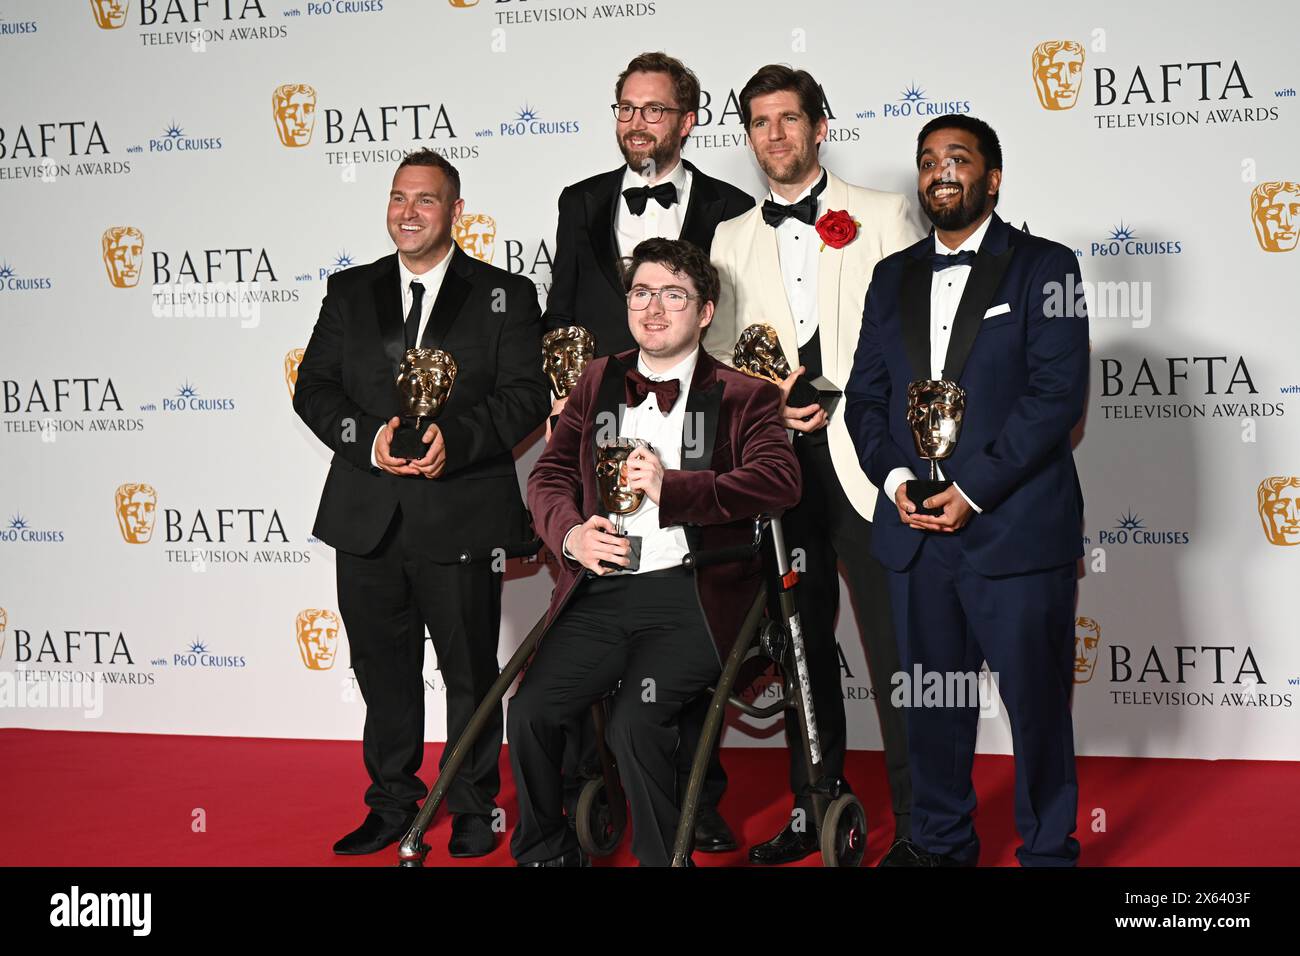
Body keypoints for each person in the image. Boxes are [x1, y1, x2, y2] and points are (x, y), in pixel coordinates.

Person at [845, 114, 1089, 866]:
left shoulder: (1048, 267)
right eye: (926, 161)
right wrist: (895, 481)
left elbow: (1056, 397)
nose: (939, 173)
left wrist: (971, 490)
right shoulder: (891, 277)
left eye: (958, 158)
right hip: (916, 535)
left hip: (1014, 531)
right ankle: (940, 842)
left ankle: (1049, 850)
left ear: (993, 176)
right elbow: (864, 398)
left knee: (1037, 706)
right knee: (932, 710)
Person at [294, 148, 550, 857]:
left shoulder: (506, 293)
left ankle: (470, 803)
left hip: (462, 512)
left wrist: (457, 440)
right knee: (382, 670)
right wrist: (369, 439)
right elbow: (313, 388)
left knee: (469, 670)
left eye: (426, 200)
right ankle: (392, 802)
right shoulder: (350, 291)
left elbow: (526, 394)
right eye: (398, 198)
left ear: (456, 211)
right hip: (366, 516)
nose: (408, 213)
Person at [512, 237, 800, 866]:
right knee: (531, 711)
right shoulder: (597, 380)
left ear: (704, 311)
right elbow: (548, 476)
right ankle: (545, 852)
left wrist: (676, 489)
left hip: (692, 594)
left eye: (674, 295)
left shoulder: (743, 393)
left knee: (633, 721)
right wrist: (570, 536)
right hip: (603, 586)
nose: (654, 308)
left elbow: (780, 481)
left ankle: (661, 860)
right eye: (642, 292)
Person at [707, 64, 923, 866]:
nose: (775, 135)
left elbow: (917, 338)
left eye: (789, 119)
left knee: (896, 651)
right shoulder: (730, 237)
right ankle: (816, 805)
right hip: (780, 468)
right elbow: (723, 359)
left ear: (819, 126)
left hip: (871, 463)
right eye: (760, 122)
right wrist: (766, 406)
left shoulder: (881, 213)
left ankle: (922, 822)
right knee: (798, 643)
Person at [543, 51, 754, 851]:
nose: (637, 122)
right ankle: (598, 791)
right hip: (601, 423)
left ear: (689, 119)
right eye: (626, 108)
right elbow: (564, 308)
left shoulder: (732, 204)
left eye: (654, 109)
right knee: (595, 604)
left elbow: (732, 323)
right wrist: (564, 389)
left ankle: (696, 800)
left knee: (693, 595)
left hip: (698, 421)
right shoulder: (580, 200)